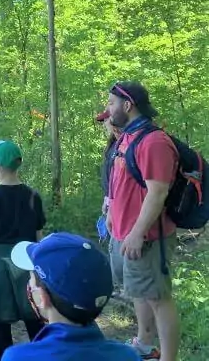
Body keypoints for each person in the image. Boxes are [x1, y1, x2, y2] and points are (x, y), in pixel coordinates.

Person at [105, 81, 180, 361]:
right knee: (139, 291)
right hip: (124, 232)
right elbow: (119, 181)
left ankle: (168, 357)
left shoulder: (153, 141)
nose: (107, 109)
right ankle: (145, 343)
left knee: (159, 299)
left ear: (128, 105)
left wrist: (137, 232)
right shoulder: (127, 137)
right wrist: (112, 213)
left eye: (111, 103)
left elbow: (158, 191)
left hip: (147, 237)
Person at [4, 231, 141, 360]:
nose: (29, 284)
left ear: (42, 297)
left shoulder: (17, 357)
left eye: (31, 278)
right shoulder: (128, 356)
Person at [0, 140, 46, 360]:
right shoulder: (33, 196)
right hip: (28, 259)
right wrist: (41, 265)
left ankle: (5, 357)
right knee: (34, 313)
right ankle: (42, 355)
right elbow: (38, 234)